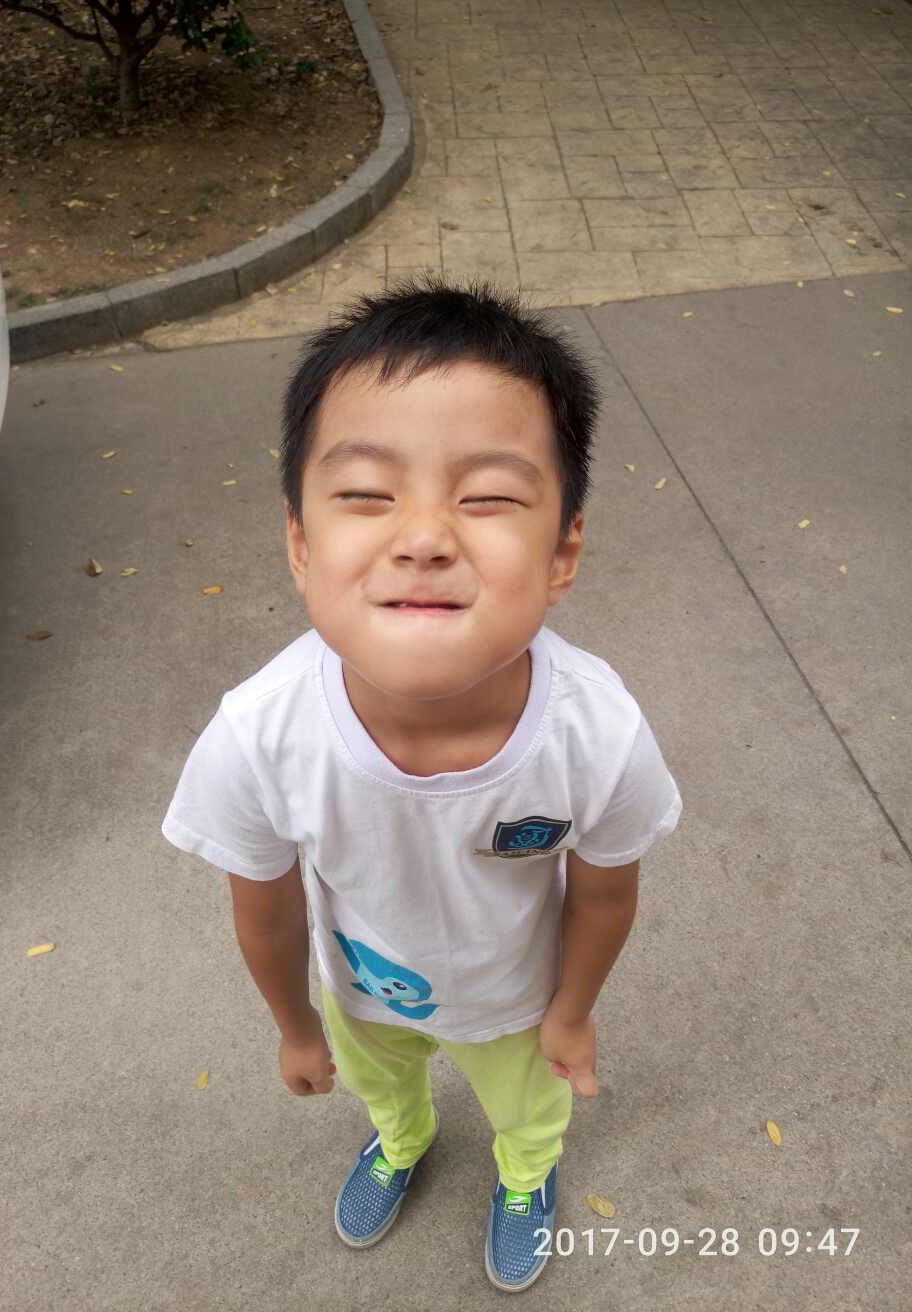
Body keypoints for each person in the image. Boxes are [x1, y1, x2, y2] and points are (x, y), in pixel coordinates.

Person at [161, 273, 683, 1292]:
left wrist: (573, 1011)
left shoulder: (600, 735)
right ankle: (401, 1139)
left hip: (517, 999)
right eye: (366, 493)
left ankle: (525, 1173)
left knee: (529, 1106)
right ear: (301, 543)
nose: (425, 536)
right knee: (384, 1084)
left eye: (487, 497)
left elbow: (605, 892)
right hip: (364, 990)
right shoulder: (257, 739)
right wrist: (297, 1025)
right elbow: (264, 904)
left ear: (563, 549)